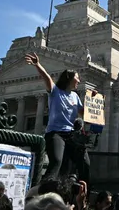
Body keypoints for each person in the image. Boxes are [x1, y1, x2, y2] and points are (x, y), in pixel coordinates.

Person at [25, 52, 90, 182]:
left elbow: (84, 113)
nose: (79, 80)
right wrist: (37, 64)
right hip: (56, 133)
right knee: (57, 162)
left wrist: (93, 100)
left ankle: (80, 191)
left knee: (85, 163)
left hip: (71, 134)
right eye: (77, 77)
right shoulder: (55, 92)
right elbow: (47, 77)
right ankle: (44, 190)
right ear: (69, 78)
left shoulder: (75, 96)